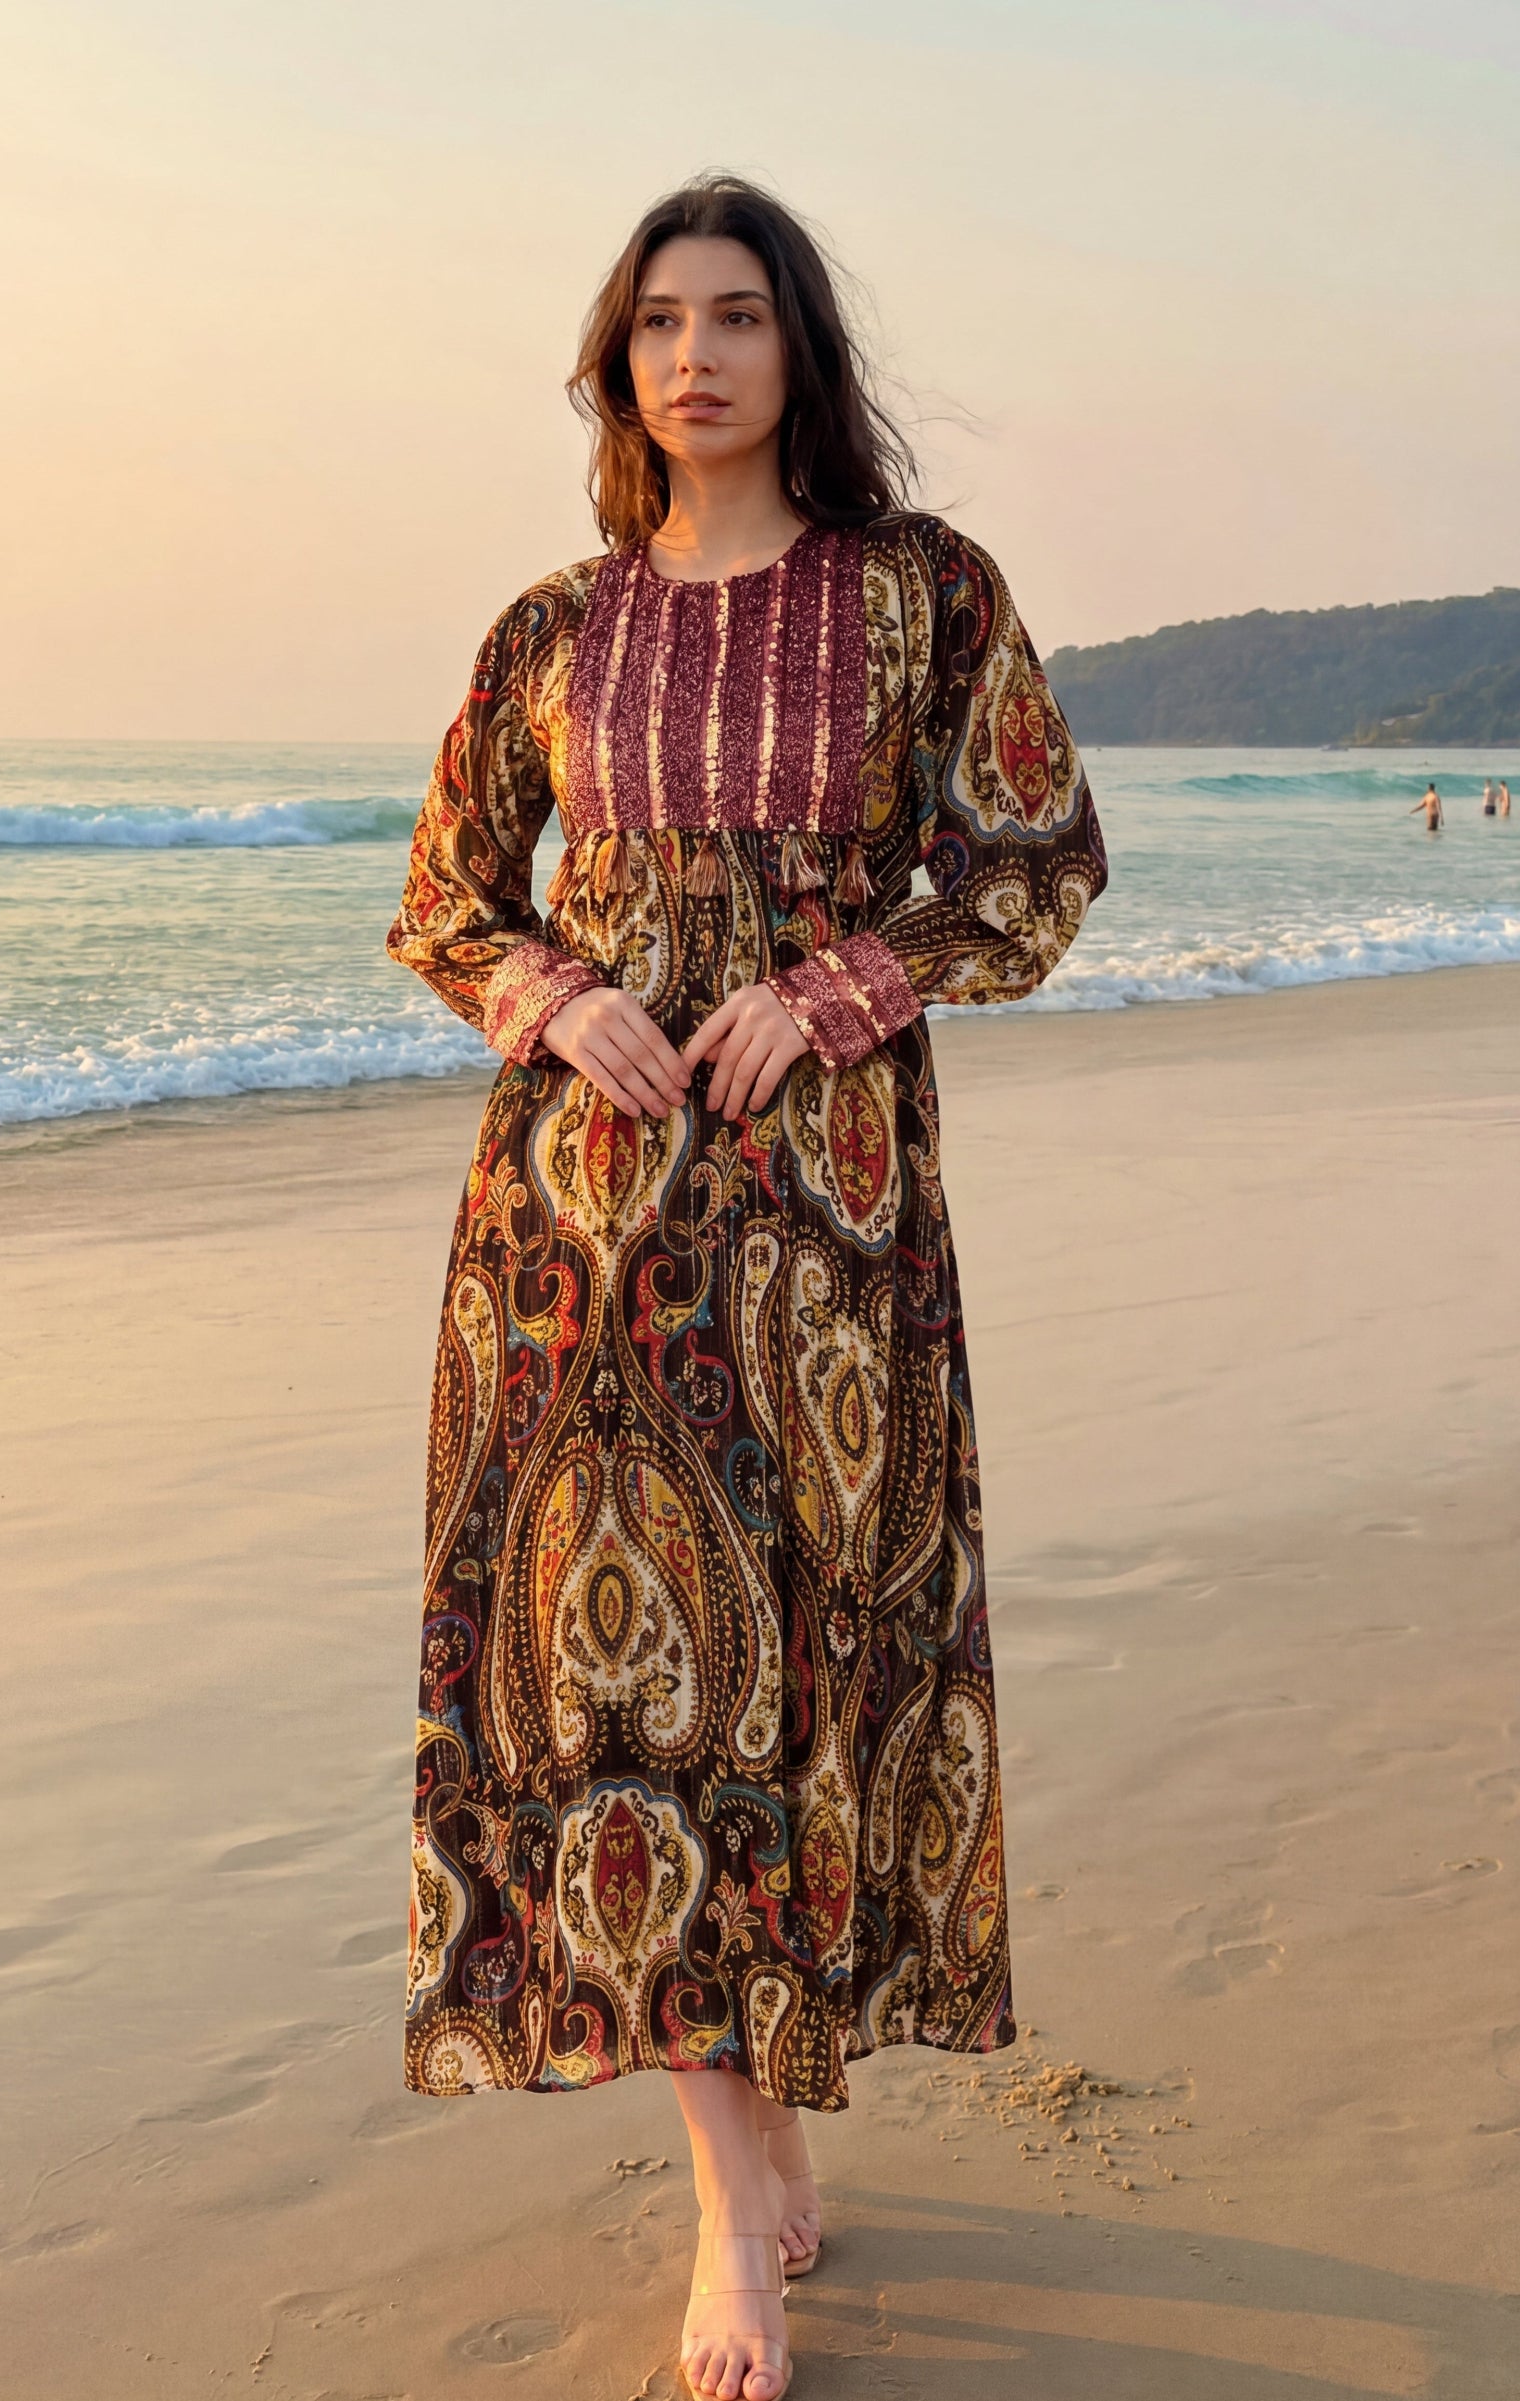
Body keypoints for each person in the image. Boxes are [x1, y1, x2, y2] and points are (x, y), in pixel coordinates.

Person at [386, 174, 1107, 2401]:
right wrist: (540, 989)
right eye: (653, 324)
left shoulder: (920, 597)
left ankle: (773, 2101)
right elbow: (432, 892)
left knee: (799, 1670)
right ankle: (731, 2201)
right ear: (615, 367)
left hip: (822, 1230)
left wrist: (842, 986)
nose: (688, 355)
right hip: (575, 1238)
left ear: (799, 348)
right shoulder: (545, 628)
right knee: (633, 1697)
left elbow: (1035, 862)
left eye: (733, 317)